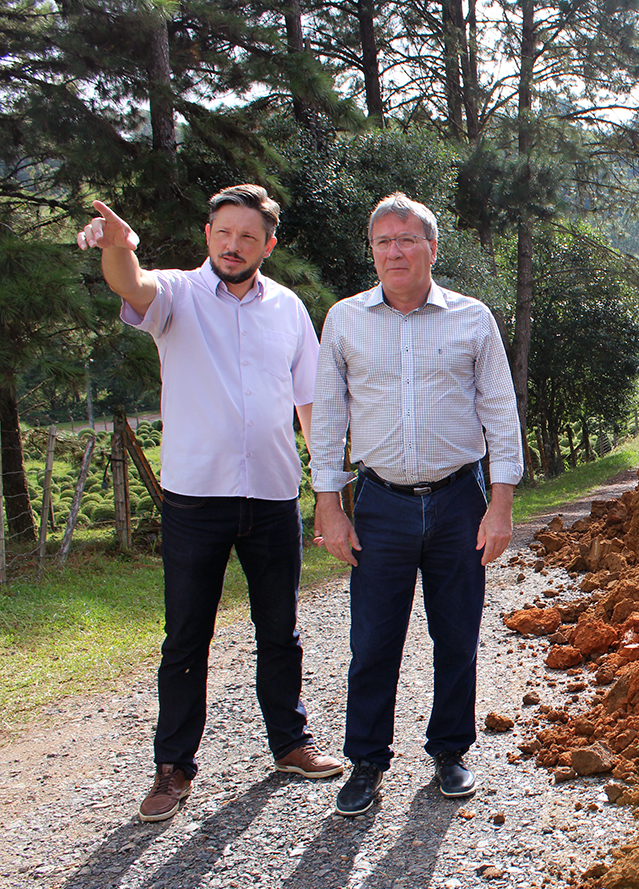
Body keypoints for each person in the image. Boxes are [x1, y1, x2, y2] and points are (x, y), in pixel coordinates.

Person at [77, 185, 343, 824]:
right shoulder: (176, 296)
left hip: (275, 495)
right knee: (186, 636)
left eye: (248, 236)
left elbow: (307, 400)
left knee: (280, 631)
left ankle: (290, 744)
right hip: (196, 499)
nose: (234, 245)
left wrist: (327, 489)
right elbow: (130, 285)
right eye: (225, 233)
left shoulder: (288, 309)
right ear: (208, 235)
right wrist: (118, 248)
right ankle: (172, 769)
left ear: (267, 244)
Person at [310, 192, 523, 818]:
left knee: (456, 634)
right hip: (379, 504)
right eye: (383, 241)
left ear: (432, 248)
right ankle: (367, 761)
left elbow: (499, 414)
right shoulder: (346, 320)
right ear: (372, 252)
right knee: (373, 640)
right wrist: (329, 506)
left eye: (407, 239)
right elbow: (329, 421)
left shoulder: (471, 318)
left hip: (460, 498)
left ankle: (451, 752)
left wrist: (501, 504)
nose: (395, 251)